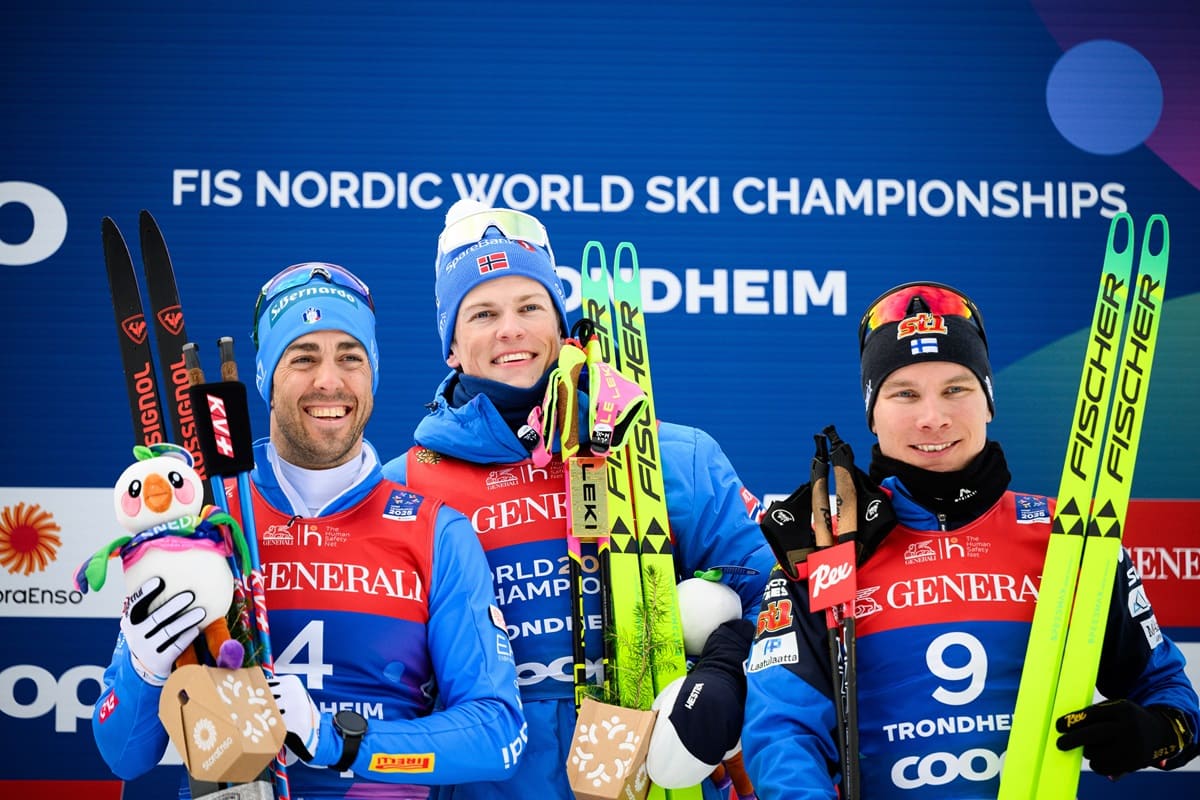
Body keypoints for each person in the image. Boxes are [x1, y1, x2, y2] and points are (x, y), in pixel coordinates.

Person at [742, 281, 1199, 797]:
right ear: (872, 413)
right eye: (904, 393)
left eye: (956, 389)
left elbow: (1170, 696)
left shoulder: (1068, 538)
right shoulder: (826, 544)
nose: (932, 417)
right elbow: (781, 731)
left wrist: (1157, 732)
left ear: (988, 400)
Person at [382, 201, 777, 800]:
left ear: (563, 324)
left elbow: (778, 599)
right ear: (452, 347)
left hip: (652, 778)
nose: (510, 329)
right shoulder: (403, 485)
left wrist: (724, 672)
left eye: (530, 306)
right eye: (482, 313)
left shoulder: (674, 456)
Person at [90, 262, 526, 798]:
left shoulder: (435, 531)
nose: (329, 380)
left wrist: (339, 740)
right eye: (302, 358)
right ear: (267, 377)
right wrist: (144, 668)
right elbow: (122, 754)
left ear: (372, 375)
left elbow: (497, 735)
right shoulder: (203, 516)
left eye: (350, 357)